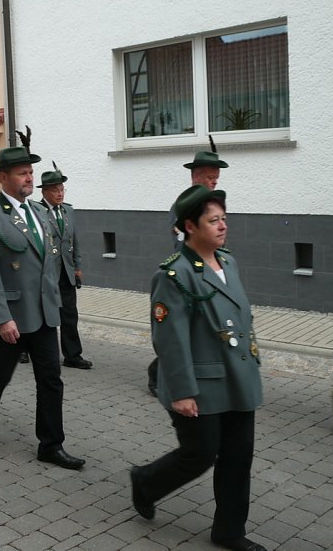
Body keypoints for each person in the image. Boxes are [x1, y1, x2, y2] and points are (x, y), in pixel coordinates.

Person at [130, 185, 264, 551]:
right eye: (213, 220)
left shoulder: (229, 261)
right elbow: (170, 341)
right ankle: (145, 482)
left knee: (238, 458)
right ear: (190, 226)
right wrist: (182, 391)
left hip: (237, 379)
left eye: (224, 218)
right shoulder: (174, 275)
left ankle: (229, 531)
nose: (222, 226)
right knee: (200, 454)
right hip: (201, 384)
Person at [0, 144, 85, 470]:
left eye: (31, 172)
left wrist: (56, 304)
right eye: (22, 173)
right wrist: (1, 318)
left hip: (44, 313)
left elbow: (48, 265)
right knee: (1, 374)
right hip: (13, 316)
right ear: (3, 177)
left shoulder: (39, 213)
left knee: (50, 379)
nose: (29, 178)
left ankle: (51, 444)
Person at [148, 144, 229, 397]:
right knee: (179, 329)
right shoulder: (183, 206)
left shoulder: (212, 204)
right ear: (195, 176)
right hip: (188, 275)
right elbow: (182, 244)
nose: (213, 182)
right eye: (208, 177)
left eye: (216, 178)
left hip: (207, 272)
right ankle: (156, 374)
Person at [38, 164, 91, 369]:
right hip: (45, 273)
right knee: (40, 314)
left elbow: (74, 241)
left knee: (70, 316)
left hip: (66, 273)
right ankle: (26, 349)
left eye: (62, 189)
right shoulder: (36, 211)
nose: (60, 194)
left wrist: (77, 266)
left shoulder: (68, 210)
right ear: (44, 192)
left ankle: (72, 356)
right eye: (55, 190)